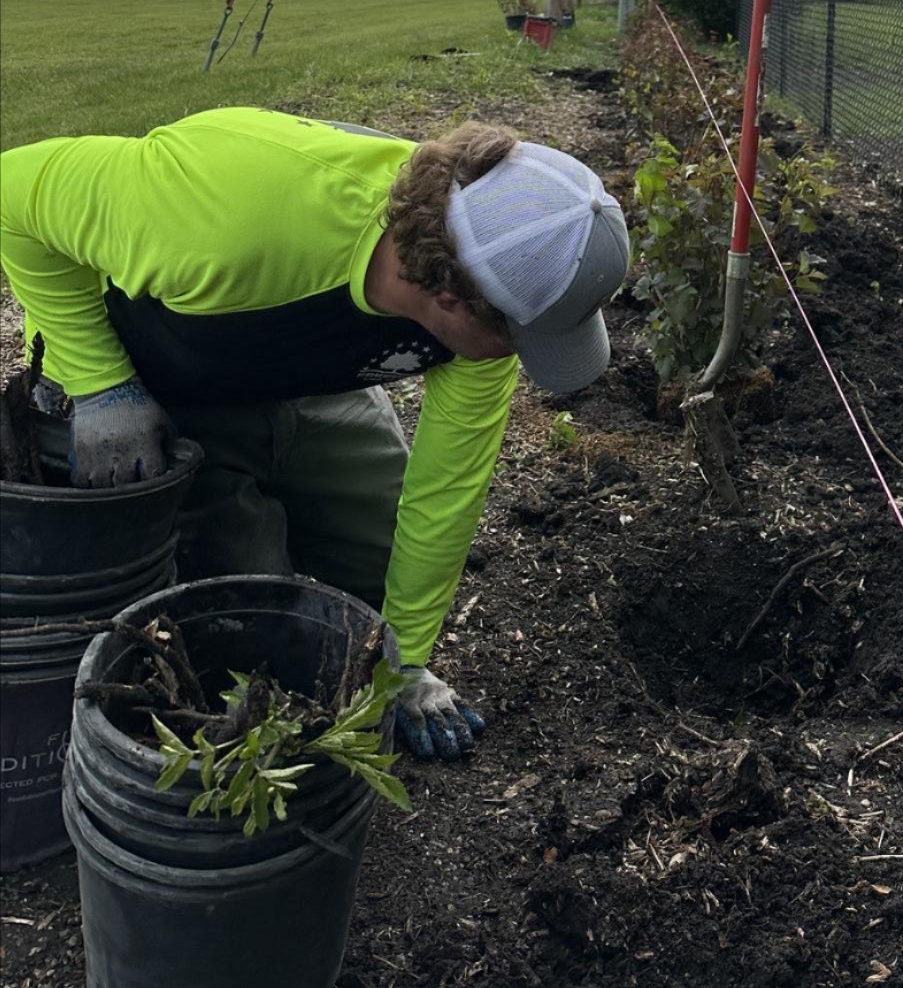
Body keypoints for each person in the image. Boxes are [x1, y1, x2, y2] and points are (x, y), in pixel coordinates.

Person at [0, 107, 628, 761]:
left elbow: (444, 493)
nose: (516, 358)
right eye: (521, 340)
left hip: (294, 374)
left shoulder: (489, 299)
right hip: (157, 382)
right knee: (250, 634)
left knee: (378, 597)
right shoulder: (221, 215)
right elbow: (12, 192)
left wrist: (401, 663)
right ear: (451, 300)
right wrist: (101, 385)